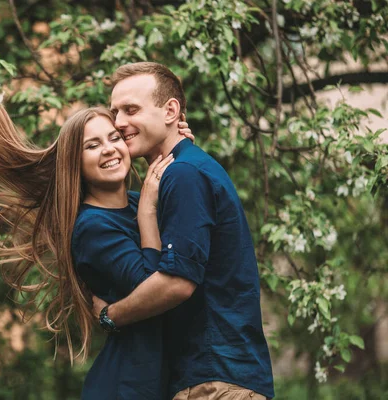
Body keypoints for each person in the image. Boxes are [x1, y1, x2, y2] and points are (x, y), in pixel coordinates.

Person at [0, 57, 194, 399]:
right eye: (92, 145)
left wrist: (172, 141)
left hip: (165, 378)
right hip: (128, 386)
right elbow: (153, 287)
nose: (109, 150)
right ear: (76, 162)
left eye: (114, 137)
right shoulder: (92, 226)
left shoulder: (136, 201)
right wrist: (148, 211)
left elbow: (181, 245)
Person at [91, 62, 275, 399]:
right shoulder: (180, 172)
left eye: (131, 109)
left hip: (215, 383)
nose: (118, 122)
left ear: (171, 110)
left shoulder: (184, 174)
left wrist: (109, 315)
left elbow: (176, 284)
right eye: (115, 111)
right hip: (210, 377)